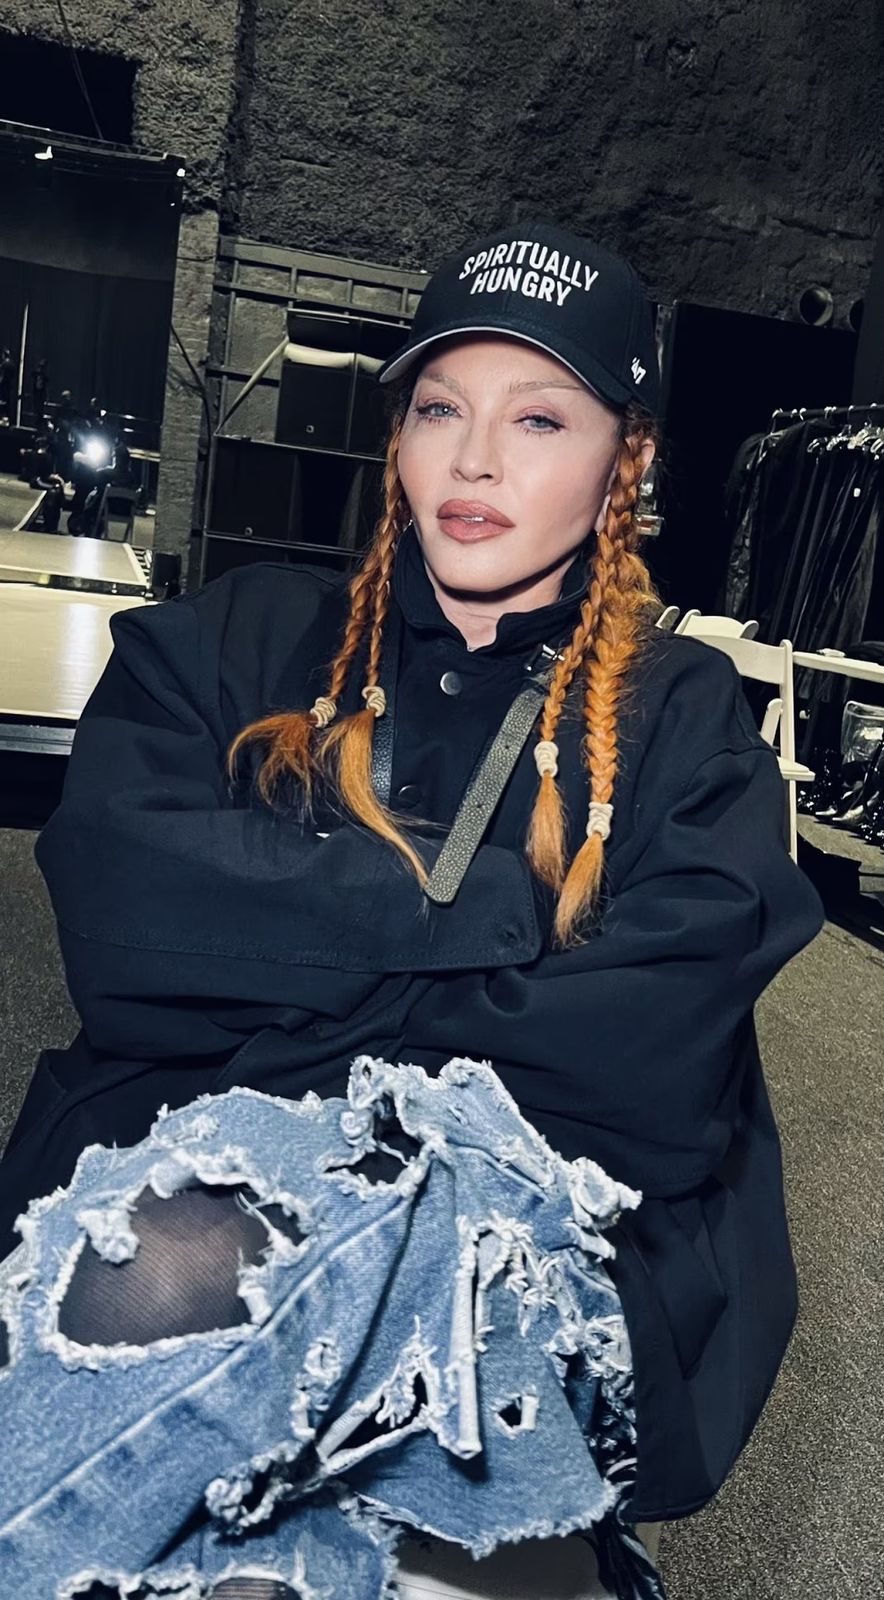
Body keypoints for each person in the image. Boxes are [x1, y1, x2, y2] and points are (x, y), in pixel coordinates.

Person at [0, 222, 824, 1600]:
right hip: (195, 1205)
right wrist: (491, 911)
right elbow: (119, 912)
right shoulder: (231, 638)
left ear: (625, 463)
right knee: (182, 1265)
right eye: (441, 409)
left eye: (539, 419)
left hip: (520, 1232)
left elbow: (648, 1066)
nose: (475, 460)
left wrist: (283, 972)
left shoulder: (688, 726)